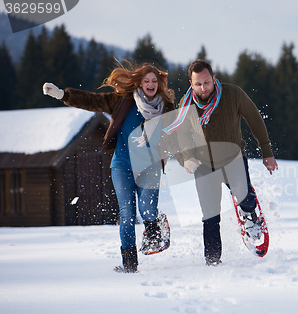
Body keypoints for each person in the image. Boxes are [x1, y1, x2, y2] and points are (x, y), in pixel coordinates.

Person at [43, 62, 176, 273]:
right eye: (146, 81)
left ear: (159, 84)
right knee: (128, 214)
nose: (150, 84)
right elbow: (93, 101)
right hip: (122, 165)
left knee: (147, 210)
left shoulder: (166, 107)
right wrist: (63, 95)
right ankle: (130, 265)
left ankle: (154, 224)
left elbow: (181, 132)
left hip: (150, 167)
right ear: (139, 83)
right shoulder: (122, 100)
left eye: (154, 81)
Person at [166, 59, 278, 265]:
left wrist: (267, 151)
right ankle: (212, 262)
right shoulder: (186, 104)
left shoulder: (233, 94)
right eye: (198, 84)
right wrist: (185, 158)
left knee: (244, 196)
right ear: (191, 84)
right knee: (210, 216)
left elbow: (254, 119)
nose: (203, 87)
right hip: (203, 165)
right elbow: (178, 134)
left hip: (233, 158)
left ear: (214, 78)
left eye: (207, 82)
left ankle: (250, 216)